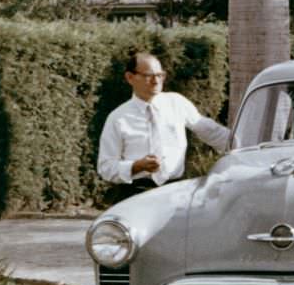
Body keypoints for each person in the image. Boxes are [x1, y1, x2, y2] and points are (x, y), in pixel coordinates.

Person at [98, 52, 230, 202]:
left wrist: (251, 145)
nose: (156, 81)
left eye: (160, 75)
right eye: (149, 75)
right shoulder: (118, 118)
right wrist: (136, 166)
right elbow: (106, 168)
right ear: (130, 77)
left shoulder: (176, 103)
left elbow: (212, 132)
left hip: (176, 192)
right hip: (135, 196)